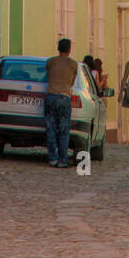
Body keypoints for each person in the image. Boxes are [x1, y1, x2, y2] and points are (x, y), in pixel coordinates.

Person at [44, 38, 78, 168]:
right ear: (69, 49)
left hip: (51, 96)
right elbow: (72, 83)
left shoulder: (50, 62)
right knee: (64, 130)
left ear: (58, 48)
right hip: (64, 97)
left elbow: (48, 76)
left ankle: (52, 158)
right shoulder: (73, 64)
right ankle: (63, 160)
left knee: (50, 128)